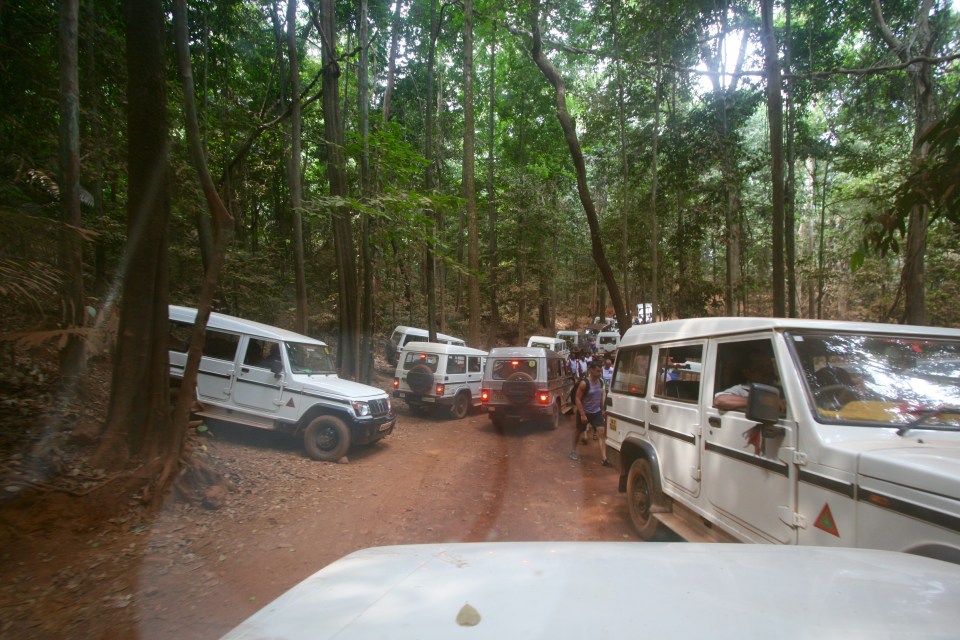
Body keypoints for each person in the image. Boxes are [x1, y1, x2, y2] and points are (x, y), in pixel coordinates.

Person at [569, 361, 610, 466]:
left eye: (600, 371)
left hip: (596, 412)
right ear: (591, 370)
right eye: (597, 371)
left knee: (601, 432)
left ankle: (604, 459)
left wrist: (602, 409)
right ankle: (573, 451)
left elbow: (600, 396)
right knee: (579, 431)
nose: (599, 373)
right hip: (585, 412)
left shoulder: (601, 382)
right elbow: (577, 398)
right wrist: (582, 414)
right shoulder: (584, 383)